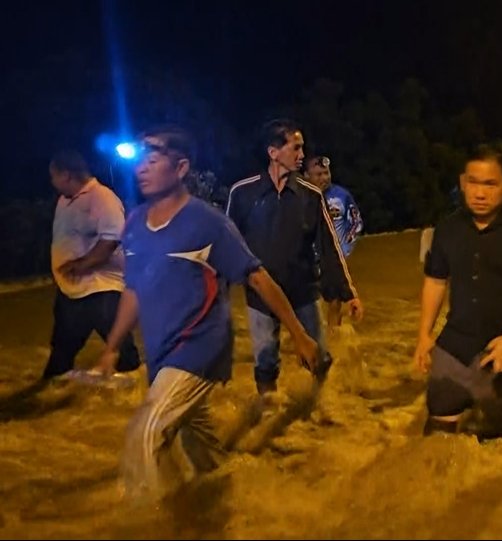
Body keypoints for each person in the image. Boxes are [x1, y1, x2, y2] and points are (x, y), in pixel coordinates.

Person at [94, 125, 319, 501]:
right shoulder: (134, 225)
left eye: (153, 159)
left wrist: (300, 335)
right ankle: (231, 505)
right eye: (141, 160)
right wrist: (111, 348)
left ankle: (155, 524)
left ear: (181, 168)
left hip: (200, 347)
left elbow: (258, 279)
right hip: (162, 354)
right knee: (197, 445)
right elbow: (133, 290)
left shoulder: (209, 223)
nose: (142, 169)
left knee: (147, 431)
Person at [414, 142, 502, 449]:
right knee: (436, 438)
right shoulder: (448, 229)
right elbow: (436, 281)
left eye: (490, 184)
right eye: (473, 182)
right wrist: (424, 335)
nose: (479, 192)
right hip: (456, 347)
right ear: (463, 182)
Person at [226, 119, 363, 396]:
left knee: (318, 356)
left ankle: (316, 410)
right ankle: (268, 410)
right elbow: (226, 246)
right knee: (265, 361)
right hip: (259, 295)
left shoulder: (310, 195)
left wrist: (349, 293)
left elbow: (329, 248)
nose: (302, 155)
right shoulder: (242, 193)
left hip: (303, 292)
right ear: (273, 152)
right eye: (296, 148)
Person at [43, 150, 141, 380]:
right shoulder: (64, 201)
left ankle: (136, 383)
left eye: (53, 176)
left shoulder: (102, 198)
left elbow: (111, 240)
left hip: (101, 287)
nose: (52, 181)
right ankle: (56, 378)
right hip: (72, 288)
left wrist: (82, 264)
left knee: (122, 350)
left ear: (66, 175)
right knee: (62, 348)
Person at [305, 155, 364, 331]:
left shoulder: (342, 195)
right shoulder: (300, 199)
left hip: (332, 258)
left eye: (326, 173)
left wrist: (344, 248)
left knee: (334, 298)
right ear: (306, 176)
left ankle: (332, 335)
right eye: (318, 174)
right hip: (307, 261)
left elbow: (356, 223)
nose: (324, 178)